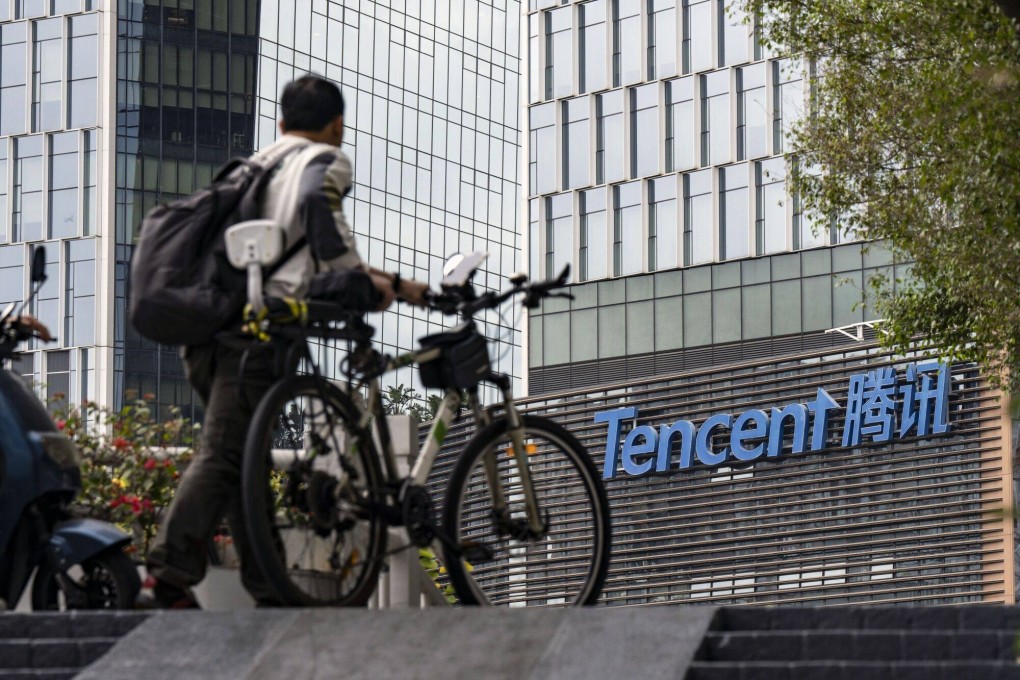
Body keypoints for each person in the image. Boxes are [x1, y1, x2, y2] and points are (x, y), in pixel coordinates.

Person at [145, 75, 429, 608]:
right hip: (253, 338)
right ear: (337, 125)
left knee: (242, 463)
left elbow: (289, 257)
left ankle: (268, 586)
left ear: (280, 123)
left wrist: (391, 282)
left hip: (211, 330)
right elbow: (319, 214)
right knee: (226, 455)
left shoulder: (259, 163)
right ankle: (165, 574)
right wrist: (357, 280)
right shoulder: (324, 160)